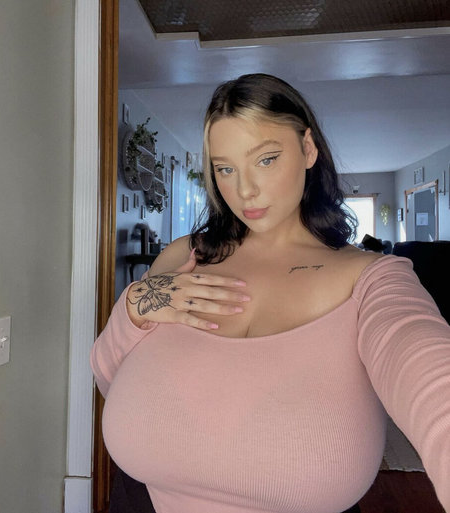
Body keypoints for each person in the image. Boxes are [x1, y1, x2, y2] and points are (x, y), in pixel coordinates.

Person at [91, 74, 450, 513]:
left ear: (308, 149)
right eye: (225, 168)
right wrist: (134, 305)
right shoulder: (184, 255)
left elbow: (425, 367)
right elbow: (107, 374)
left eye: (265, 159)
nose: (244, 190)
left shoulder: (372, 280)